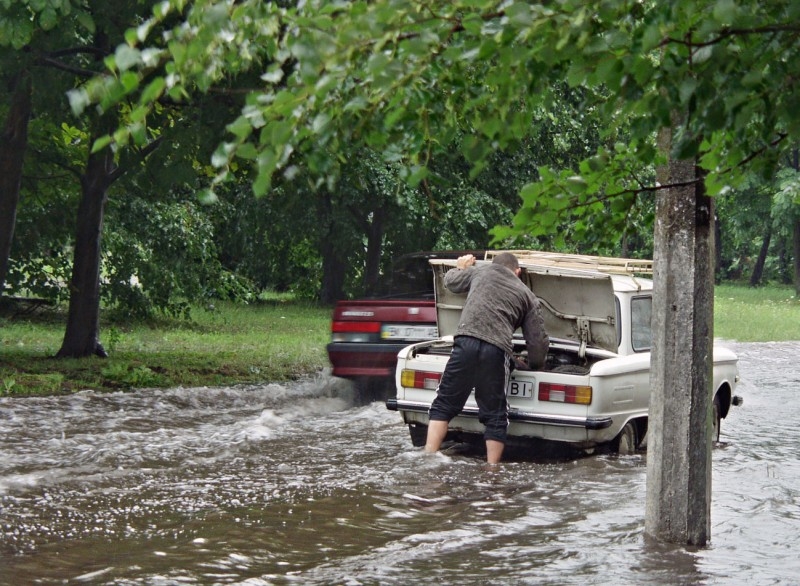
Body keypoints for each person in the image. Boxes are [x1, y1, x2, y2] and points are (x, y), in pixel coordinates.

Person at [424, 252, 549, 464]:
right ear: (517, 272)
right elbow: (537, 343)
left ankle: (428, 455)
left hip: (465, 342)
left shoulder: (480, 271)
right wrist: (535, 366)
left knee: (444, 403)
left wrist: (461, 267)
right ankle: (492, 472)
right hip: (496, 350)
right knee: (495, 415)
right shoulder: (527, 295)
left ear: (494, 264)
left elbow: (451, 282)